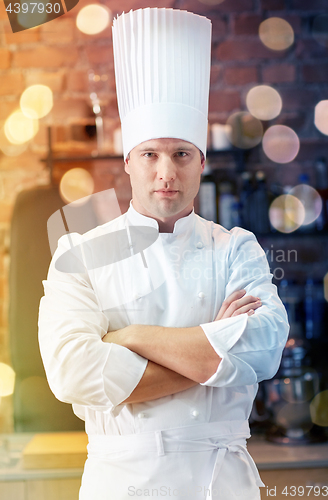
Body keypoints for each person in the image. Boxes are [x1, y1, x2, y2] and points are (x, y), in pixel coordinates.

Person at [38, 7, 289, 500]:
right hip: (120, 485)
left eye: (181, 155)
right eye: (151, 154)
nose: (166, 174)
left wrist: (131, 337)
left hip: (221, 485)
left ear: (201, 162)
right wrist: (212, 353)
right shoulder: (79, 252)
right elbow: (72, 371)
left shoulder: (236, 248)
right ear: (129, 161)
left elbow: (262, 349)